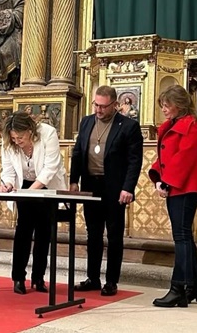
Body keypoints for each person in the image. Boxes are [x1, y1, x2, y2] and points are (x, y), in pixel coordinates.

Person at [69, 85, 143, 296]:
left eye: (103, 106)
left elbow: (134, 161)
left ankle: (111, 281)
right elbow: (77, 152)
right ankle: (93, 278)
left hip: (114, 188)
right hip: (90, 186)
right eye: (96, 105)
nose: (99, 110)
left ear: (115, 105)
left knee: (114, 235)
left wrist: (128, 188)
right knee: (93, 234)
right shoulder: (86, 122)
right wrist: (74, 180)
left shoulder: (128, 126)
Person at [148, 84, 197, 308]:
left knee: (181, 237)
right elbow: (167, 156)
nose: (164, 109)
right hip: (179, 186)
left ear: (179, 105)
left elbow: (184, 159)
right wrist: (159, 176)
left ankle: (178, 288)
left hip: (186, 187)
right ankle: (193, 286)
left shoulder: (191, 126)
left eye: (167, 105)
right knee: (184, 236)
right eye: (162, 105)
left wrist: (167, 182)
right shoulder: (175, 125)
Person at [0, 111, 67, 295]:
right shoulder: (8, 142)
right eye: (14, 138)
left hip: (46, 184)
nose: (17, 141)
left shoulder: (48, 133)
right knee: (23, 231)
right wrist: (8, 184)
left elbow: (50, 167)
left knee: (44, 232)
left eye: (20, 137)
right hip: (23, 185)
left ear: (30, 130)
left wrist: (32, 191)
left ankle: (38, 278)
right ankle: (18, 278)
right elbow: (7, 170)